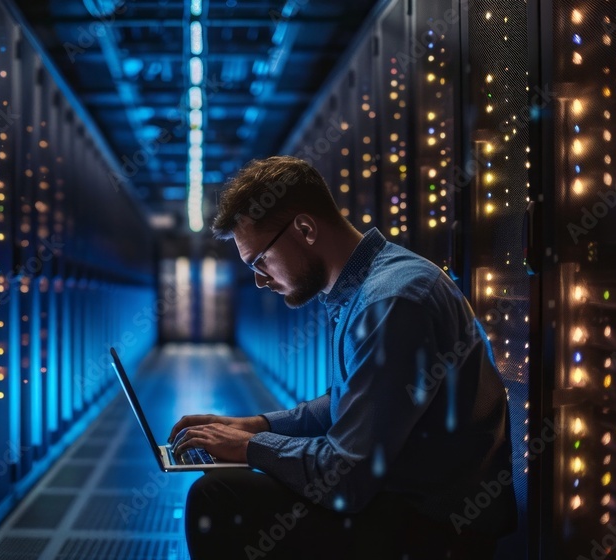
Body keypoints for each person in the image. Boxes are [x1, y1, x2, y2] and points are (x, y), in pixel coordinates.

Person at [169, 156, 517, 559]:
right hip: (400, 503)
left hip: (434, 530)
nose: (260, 280)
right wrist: (253, 425)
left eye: (260, 259)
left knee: (218, 497)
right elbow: (345, 404)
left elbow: (346, 479)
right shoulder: (368, 289)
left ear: (304, 228)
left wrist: (250, 446)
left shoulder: (391, 301)